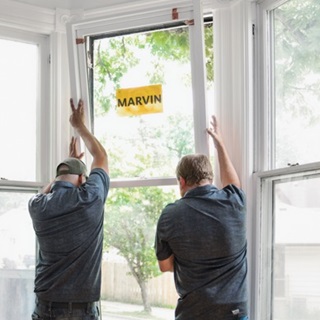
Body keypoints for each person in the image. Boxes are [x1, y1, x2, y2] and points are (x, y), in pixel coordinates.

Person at [154, 115, 248, 320]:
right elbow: (233, 183)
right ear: (211, 178)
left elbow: (165, 266)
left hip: (194, 312)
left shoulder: (170, 214)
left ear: (181, 181)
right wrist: (220, 145)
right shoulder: (234, 202)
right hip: (235, 312)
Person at [29, 98, 109, 320]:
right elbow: (101, 157)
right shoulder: (90, 198)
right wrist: (79, 126)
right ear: (83, 179)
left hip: (45, 308)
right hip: (81, 311)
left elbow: (48, 190)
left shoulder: (37, 206)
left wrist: (68, 167)